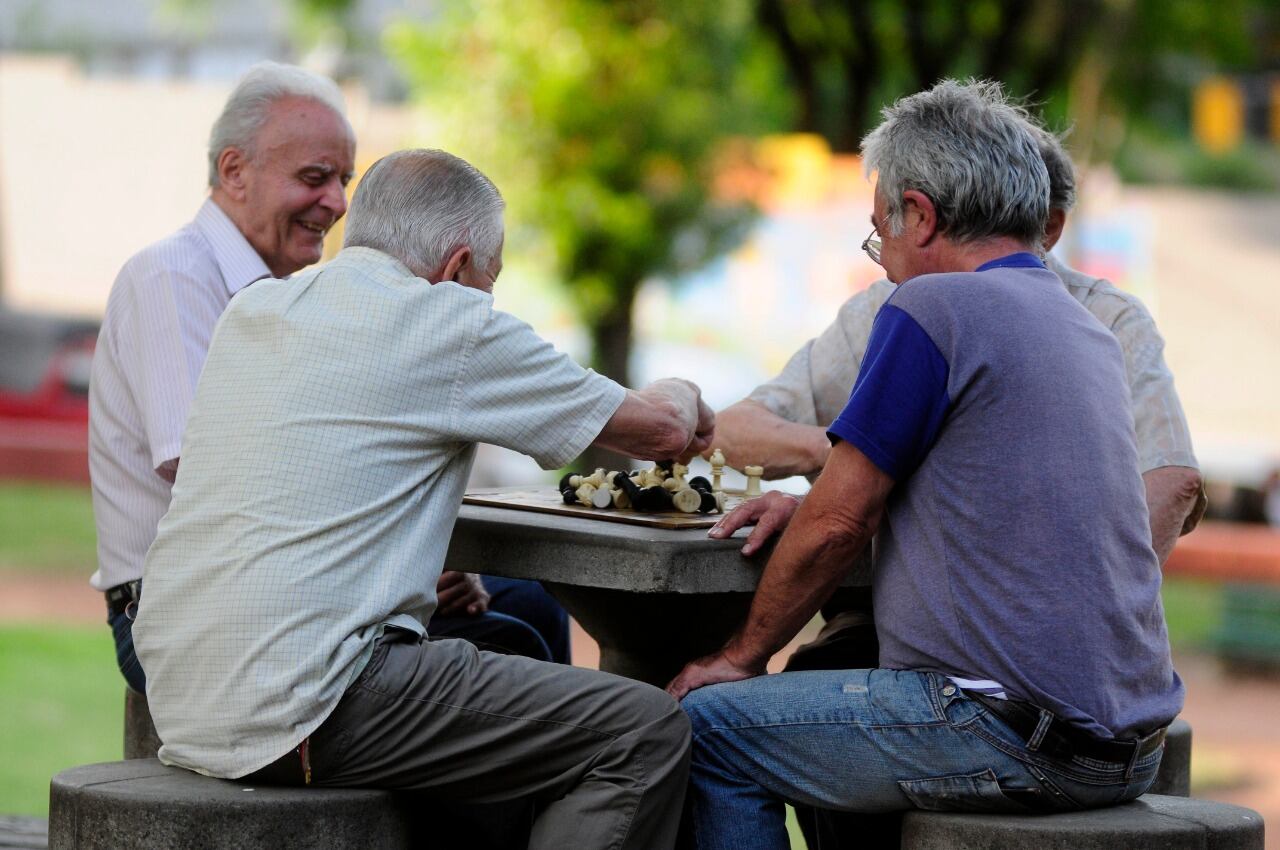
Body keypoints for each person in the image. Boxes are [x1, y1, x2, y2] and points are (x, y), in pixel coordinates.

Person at [133, 149, 711, 850]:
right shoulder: (449, 321)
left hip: (183, 694)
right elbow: (662, 430)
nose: (488, 296)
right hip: (306, 703)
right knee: (644, 731)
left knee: (514, 640)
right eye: (491, 279)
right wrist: (685, 392)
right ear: (458, 267)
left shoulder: (254, 309)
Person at [667, 80, 1183, 850]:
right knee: (827, 695)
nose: (883, 263)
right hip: (1129, 748)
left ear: (921, 213)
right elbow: (989, 503)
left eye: (880, 234)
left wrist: (739, 657)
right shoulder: (1087, 328)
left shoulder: (931, 306)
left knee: (709, 727)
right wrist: (819, 500)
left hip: (1005, 731)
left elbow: (840, 521)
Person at [88, 63, 563, 700]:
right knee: (512, 641)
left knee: (531, 601)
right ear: (234, 171)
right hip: (184, 618)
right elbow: (208, 469)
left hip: (287, 593)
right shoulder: (172, 276)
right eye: (314, 178)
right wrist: (394, 569)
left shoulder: (290, 293)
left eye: (344, 180)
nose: (338, 204)